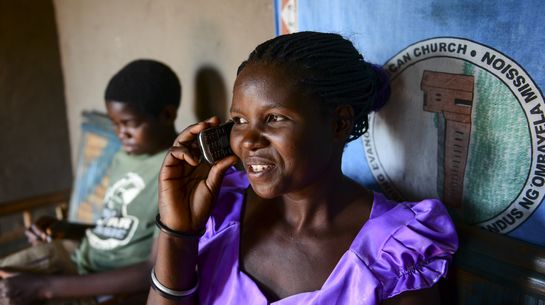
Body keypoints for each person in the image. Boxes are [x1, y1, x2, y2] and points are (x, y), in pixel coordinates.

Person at [147, 31, 458, 305]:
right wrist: (179, 233)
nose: (248, 141)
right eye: (240, 121)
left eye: (274, 118)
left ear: (338, 124)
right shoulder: (220, 213)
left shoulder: (394, 253)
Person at [0, 59, 181, 305]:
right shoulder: (124, 157)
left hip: (108, 285)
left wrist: (44, 287)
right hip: (77, 258)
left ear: (167, 115)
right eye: (115, 124)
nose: (120, 134)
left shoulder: (175, 172)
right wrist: (66, 228)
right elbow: (115, 229)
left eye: (129, 124)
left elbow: (153, 269)